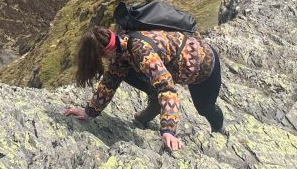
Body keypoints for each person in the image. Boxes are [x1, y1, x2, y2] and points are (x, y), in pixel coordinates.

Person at [63, 26, 225, 151]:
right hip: (180, 67)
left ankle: (219, 129)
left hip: (204, 66)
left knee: (205, 108)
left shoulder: (142, 52)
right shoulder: (121, 46)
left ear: (106, 50)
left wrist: (168, 131)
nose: (104, 60)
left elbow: (167, 89)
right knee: (123, 73)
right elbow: (109, 83)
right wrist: (88, 112)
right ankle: (154, 102)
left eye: (102, 57)